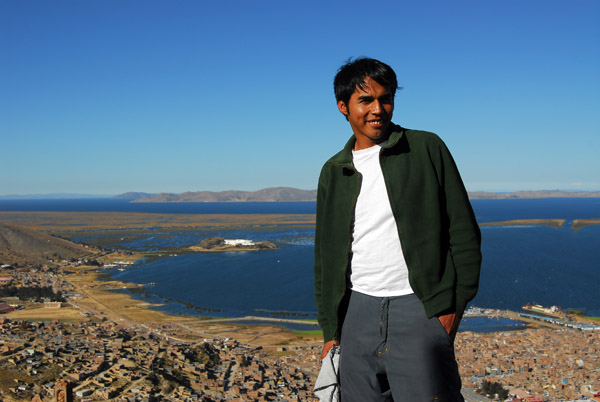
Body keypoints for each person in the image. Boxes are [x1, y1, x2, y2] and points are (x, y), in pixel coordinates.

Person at [313, 57, 482, 401]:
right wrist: (331, 330)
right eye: (365, 100)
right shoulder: (333, 171)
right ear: (343, 106)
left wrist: (449, 313)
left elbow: (463, 232)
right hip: (356, 312)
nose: (378, 109)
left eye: (385, 98)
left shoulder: (426, 148)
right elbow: (325, 258)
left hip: (419, 309)